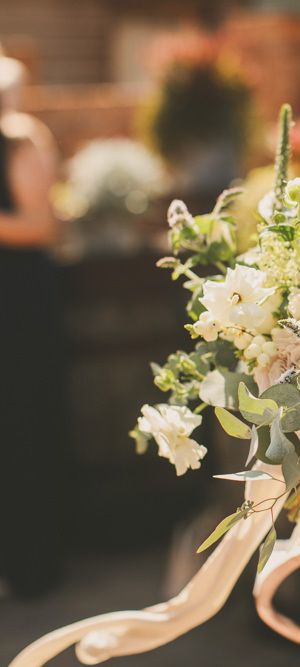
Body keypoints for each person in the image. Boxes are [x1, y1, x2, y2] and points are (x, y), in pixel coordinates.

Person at [0, 49, 66, 597]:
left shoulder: (21, 140)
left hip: (18, 303)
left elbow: (41, 225)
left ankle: (32, 566)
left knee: (22, 425)